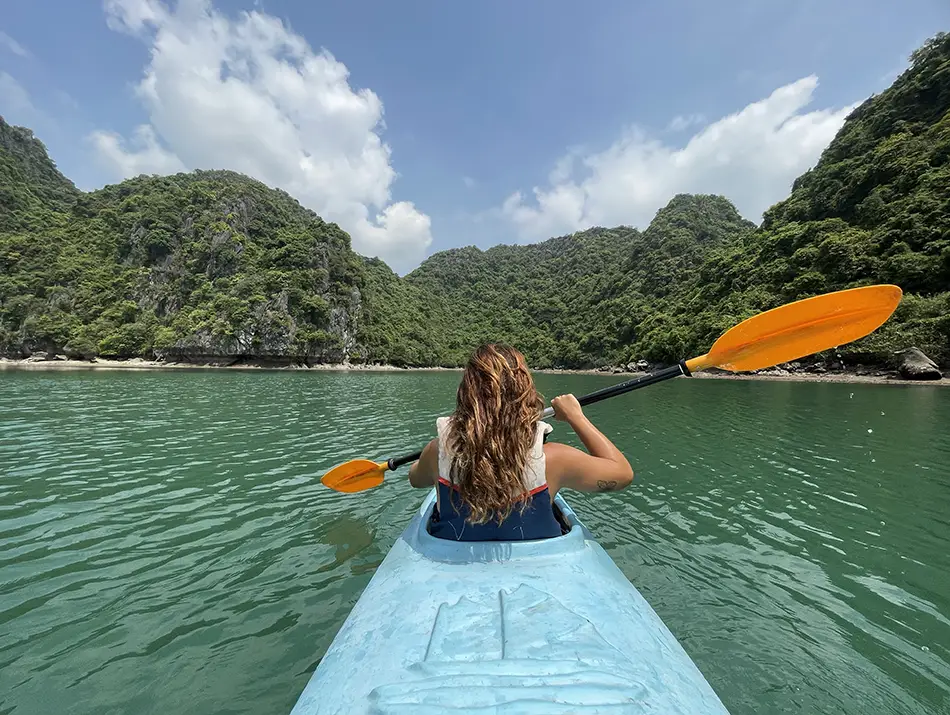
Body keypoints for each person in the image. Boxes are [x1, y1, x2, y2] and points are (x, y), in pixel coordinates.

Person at [407, 343, 634, 541]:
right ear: (525, 393)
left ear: (466, 395)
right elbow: (623, 474)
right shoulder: (555, 459)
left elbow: (415, 479)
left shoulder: (437, 451)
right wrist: (576, 417)